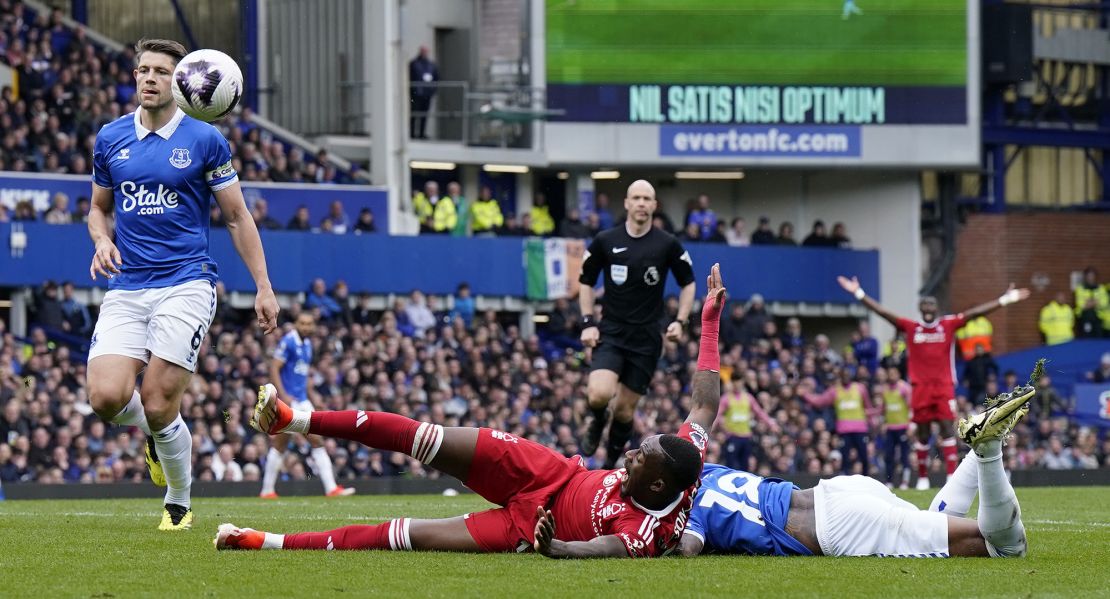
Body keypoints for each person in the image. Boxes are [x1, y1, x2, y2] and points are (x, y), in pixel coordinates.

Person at [215, 263, 727, 558]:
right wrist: (708, 323)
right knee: (425, 437)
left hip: (528, 529)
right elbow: (704, 403)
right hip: (548, 470)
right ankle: (293, 419)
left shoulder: (643, 533)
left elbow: (597, 552)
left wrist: (554, 548)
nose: (632, 453)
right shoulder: (684, 456)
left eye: (641, 459)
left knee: (405, 536)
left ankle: (265, 541)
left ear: (658, 485)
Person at [86, 38, 279, 530]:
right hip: (127, 285)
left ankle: (179, 501)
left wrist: (263, 285)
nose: (149, 78)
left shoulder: (204, 139)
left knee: (156, 400)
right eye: (142, 70)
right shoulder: (110, 138)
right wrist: (100, 240)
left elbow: (236, 217)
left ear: (182, 82)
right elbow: (98, 209)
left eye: (160, 72)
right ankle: (156, 435)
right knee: (105, 399)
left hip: (187, 283)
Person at [679, 373, 1036, 558]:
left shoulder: (688, 513)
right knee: (929, 521)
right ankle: (981, 449)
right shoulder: (704, 470)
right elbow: (703, 407)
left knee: (1005, 548)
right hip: (837, 491)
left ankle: (988, 446)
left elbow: (687, 547)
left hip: (839, 525)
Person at [836, 275, 1030, 490]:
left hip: (943, 386)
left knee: (947, 427)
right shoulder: (911, 327)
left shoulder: (948, 325)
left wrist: (1005, 299)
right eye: (925, 304)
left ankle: (950, 476)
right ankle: (922, 477)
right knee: (923, 431)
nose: (928, 307)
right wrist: (858, 292)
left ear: (937, 308)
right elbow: (882, 312)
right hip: (920, 387)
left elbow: (975, 313)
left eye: (932, 304)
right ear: (920, 308)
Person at [578, 179, 697, 468]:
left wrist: (680, 321)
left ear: (654, 206)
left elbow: (689, 283)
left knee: (623, 411)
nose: (642, 203)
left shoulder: (667, 244)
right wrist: (587, 322)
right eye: (637, 198)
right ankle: (596, 417)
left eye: (647, 198)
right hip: (612, 332)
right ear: (627, 203)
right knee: (599, 394)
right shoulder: (606, 241)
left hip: (646, 339)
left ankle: (608, 467)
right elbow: (585, 282)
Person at [260, 312, 353, 499]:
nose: (306, 327)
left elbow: (302, 376)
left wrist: (312, 395)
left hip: (302, 399)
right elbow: (274, 368)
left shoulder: (308, 345)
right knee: (314, 440)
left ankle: (267, 491)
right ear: (296, 324)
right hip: (291, 401)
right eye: (302, 323)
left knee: (282, 443)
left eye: (309, 323)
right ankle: (330, 488)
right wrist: (284, 396)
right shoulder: (289, 341)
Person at [716, 373, 778, 471]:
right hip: (732, 436)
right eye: (735, 383)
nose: (737, 385)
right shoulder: (726, 398)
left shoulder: (748, 398)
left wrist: (771, 424)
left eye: (739, 383)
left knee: (744, 465)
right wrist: (714, 426)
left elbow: (759, 412)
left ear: (743, 383)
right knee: (730, 464)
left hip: (745, 436)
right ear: (732, 384)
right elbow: (718, 414)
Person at [876, 366, 912, 489]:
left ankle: (905, 482)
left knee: (904, 455)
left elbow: (910, 407)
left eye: (893, 373)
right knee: (889, 455)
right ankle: (889, 481)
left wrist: (910, 425)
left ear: (898, 374)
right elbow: (883, 409)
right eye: (889, 373)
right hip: (890, 428)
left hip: (902, 426)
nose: (891, 376)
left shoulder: (904, 388)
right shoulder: (884, 390)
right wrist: (882, 422)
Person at [408, 46, 438, 139]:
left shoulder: (431, 65)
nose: (424, 53)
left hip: (426, 93)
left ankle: (422, 133)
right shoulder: (414, 64)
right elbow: (410, 77)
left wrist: (432, 90)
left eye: (426, 51)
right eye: (423, 51)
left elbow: (436, 77)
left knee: (424, 114)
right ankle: (412, 133)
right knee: (414, 114)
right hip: (416, 93)